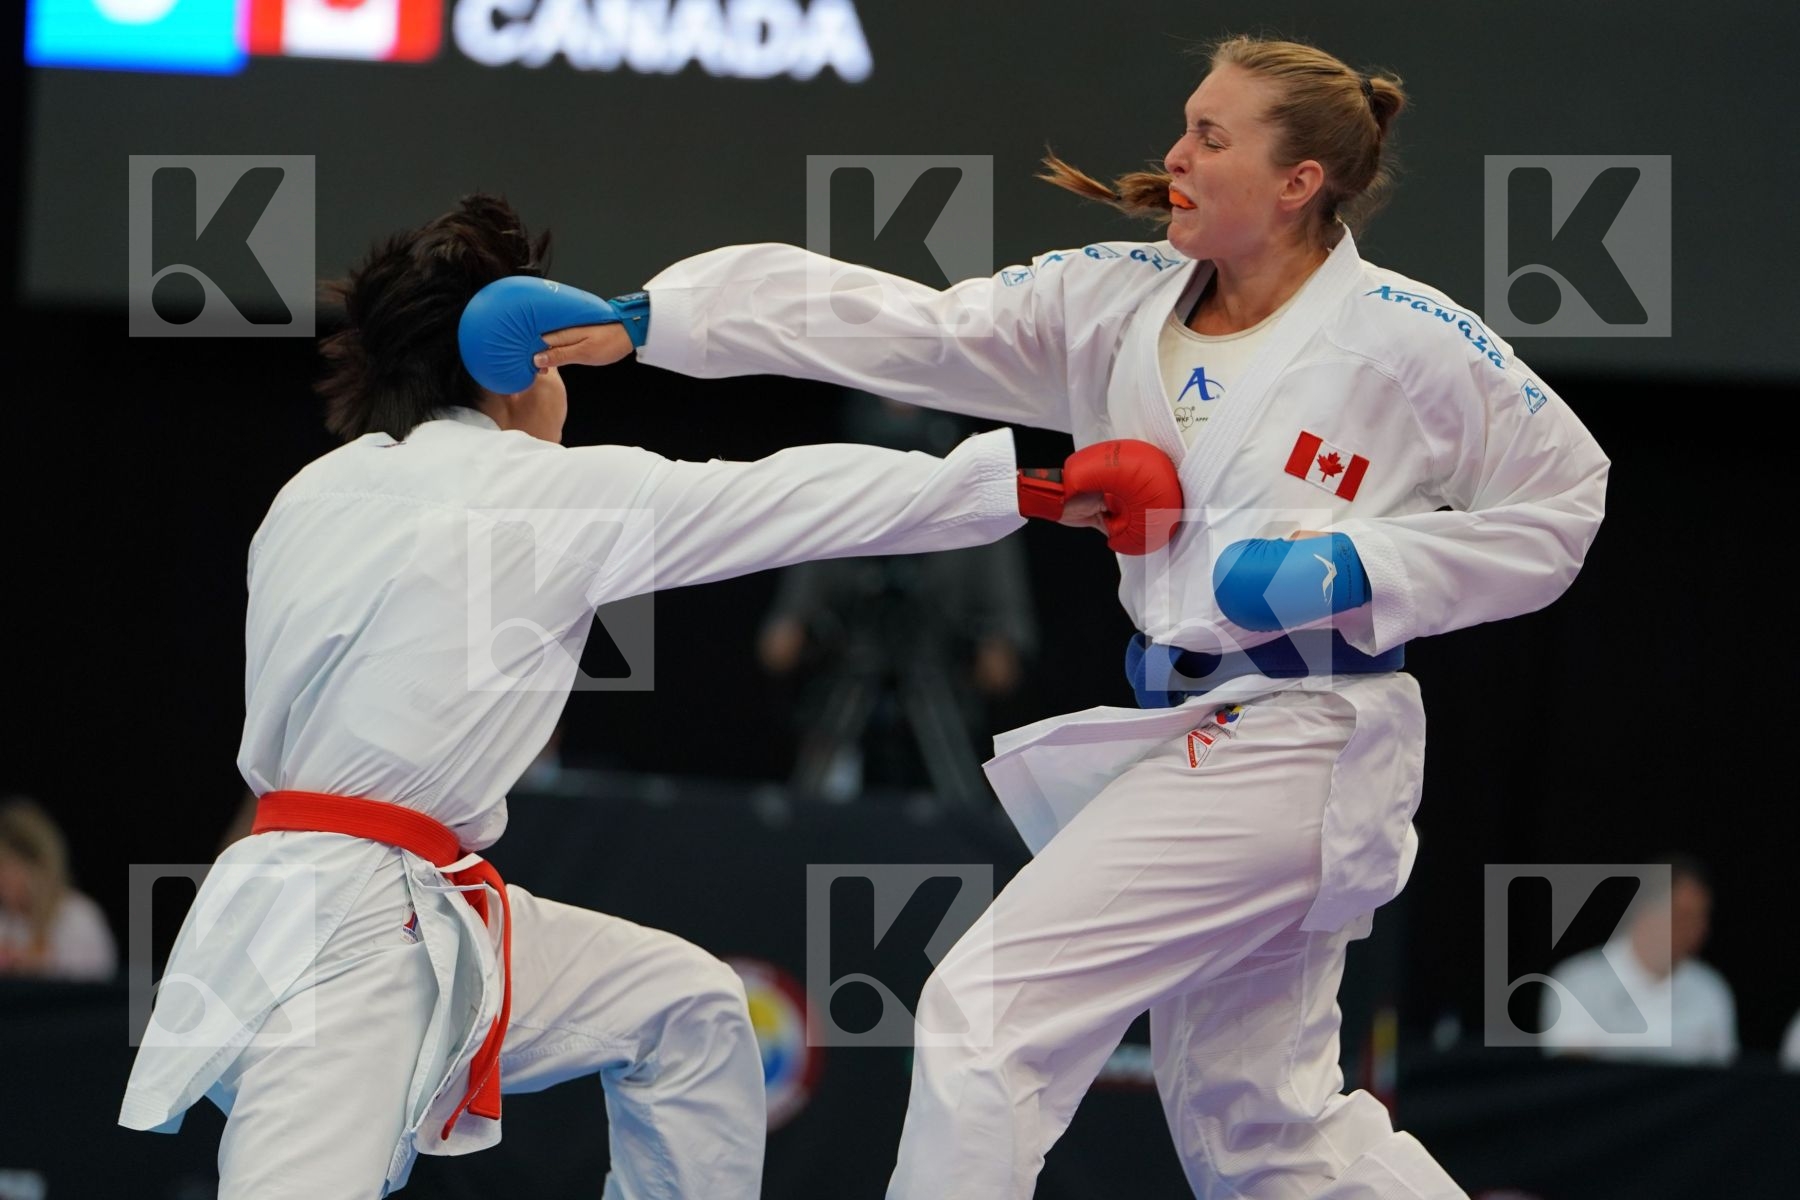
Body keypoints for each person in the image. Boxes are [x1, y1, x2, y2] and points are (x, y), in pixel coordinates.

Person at [533, 33, 1608, 1199]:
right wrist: (661, 319)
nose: (1174, 154)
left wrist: (1362, 566)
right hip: (1204, 725)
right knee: (1268, 1132)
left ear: (1300, 182)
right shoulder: (1115, 300)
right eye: (1184, 123)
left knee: (989, 1013)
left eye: (1212, 135)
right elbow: (911, 328)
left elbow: (1567, 501)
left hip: (1311, 729)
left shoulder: (1407, 339)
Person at [116, 194, 1178, 1199]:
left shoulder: (317, 489)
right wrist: (1035, 488)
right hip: (355, 928)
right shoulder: (536, 491)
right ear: (519, 363)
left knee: (692, 1016)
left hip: (339, 896)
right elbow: (784, 500)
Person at [758, 391, 1038, 804]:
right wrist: (805, 629)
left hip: (940, 689)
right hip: (850, 680)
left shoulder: (979, 514)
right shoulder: (837, 509)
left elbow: (1003, 661)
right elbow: (777, 647)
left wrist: (984, 645)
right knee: (813, 811)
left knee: (962, 820)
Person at [1540, 855, 1737, 1066]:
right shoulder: (1576, 984)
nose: (1696, 930)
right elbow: (1570, 1080)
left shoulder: (1710, 991)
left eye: (1701, 918)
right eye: (1683, 916)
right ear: (1644, 910)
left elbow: (1722, 1083)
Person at [0, 796, 117, 982]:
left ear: (35, 867)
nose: (3, 885)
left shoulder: (78, 918)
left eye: (6, 871)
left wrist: (44, 965)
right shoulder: (5, 922)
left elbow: (98, 992)